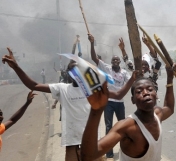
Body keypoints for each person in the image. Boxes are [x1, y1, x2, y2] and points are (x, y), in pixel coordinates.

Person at [2, 47, 137, 161]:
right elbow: (34, 85)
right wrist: (16, 67)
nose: (75, 74)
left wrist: (132, 79)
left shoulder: (93, 90)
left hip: (92, 142)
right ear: (69, 74)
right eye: (72, 72)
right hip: (72, 144)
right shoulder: (62, 88)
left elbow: (118, 95)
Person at [80, 65, 176, 161]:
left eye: (150, 89)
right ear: (133, 100)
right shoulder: (126, 126)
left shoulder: (158, 114)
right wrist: (96, 110)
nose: (146, 93)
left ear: (156, 95)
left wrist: (170, 79)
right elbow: (88, 156)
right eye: (139, 91)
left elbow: (169, 108)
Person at [88, 35, 131, 160]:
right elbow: (94, 58)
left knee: (123, 126)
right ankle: (109, 152)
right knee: (109, 126)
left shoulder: (124, 73)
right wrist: (92, 43)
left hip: (120, 103)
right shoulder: (106, 68)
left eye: (117, 60)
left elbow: (130, 83)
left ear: (120, 63)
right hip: (109, 102)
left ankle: (125, 150)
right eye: (113, 60)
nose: (115, 62)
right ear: (111, 62)